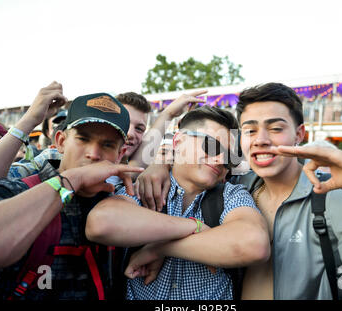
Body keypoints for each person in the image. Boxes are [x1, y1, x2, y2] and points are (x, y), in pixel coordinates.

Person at [135, 82, 342, 300]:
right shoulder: (235, 188)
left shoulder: (334, 196)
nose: (261, 140)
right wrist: (160, 162)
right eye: (249, 130)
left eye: (275, 128)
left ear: (300, 135)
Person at [0, 90, 143, 300]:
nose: (94, 154)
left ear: (120, 154)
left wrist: (158, 249)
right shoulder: (15, 190)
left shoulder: (120, 205)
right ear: (61, 141)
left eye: (107, 145)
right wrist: (72, 180)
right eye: (83, 139)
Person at [85, 106, 270, 300]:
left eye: (229, 158)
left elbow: (254, 244)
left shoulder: (230, 195)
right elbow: (100, 223)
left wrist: (159, 248)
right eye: (211, 146)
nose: (219, 160)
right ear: (178, 141)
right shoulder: (145, 187)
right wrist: (194, 226)